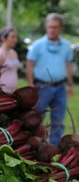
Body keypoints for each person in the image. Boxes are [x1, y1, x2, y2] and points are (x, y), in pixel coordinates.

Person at [26, 13, 74, 145]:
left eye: (55, 27)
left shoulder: (66, 46)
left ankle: (53, 147)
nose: (52, 30)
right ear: (46, 27)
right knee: (37, 118)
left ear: (61, 28)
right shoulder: (37, 45)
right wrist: (31, 85)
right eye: (50, 27)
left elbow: (68, 65)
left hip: (60, 88)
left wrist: (70, 84)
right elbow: (29, 65)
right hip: (42, 87)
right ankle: (35, 143)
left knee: (58, 119)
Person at [0, 26, 21, 94]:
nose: (16, 40)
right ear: (4, 38)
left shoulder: (14, 53)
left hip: (13, 93)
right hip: (2, 94)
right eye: (13, 37)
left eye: (16, 37)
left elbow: (14, 73)